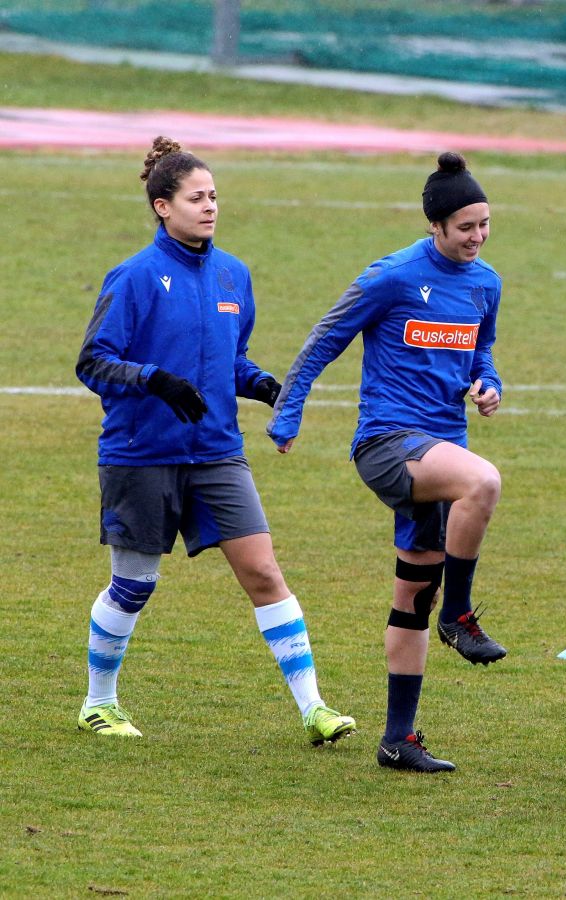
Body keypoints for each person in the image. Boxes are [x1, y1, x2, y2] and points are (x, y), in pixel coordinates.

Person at [75, 136, 356, 747]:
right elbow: (93, 362)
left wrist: (267, 387)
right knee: (135, 586)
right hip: (141, 454)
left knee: (263, 572)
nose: (209, 207)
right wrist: (154, 379)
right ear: (161, 206)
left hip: (218, 454)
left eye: (214, 197)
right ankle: (99, 704)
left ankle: (315, 709)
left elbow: (231, 360)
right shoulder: (135, 277)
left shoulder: (233, 274)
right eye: (195, 197)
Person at [267, 152, 507, 774]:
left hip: (442, 448)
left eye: (485, 225)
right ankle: (462, 612)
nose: (477, 238)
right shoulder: (392, 276)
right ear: (435, 226)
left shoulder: (486, 283)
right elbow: (325, 338)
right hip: (387, 445)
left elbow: (482, 353)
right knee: (483, 482)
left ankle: (397, 740)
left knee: (411, 598)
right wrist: (288, 413)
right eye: (465, 228)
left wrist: (488, 384)